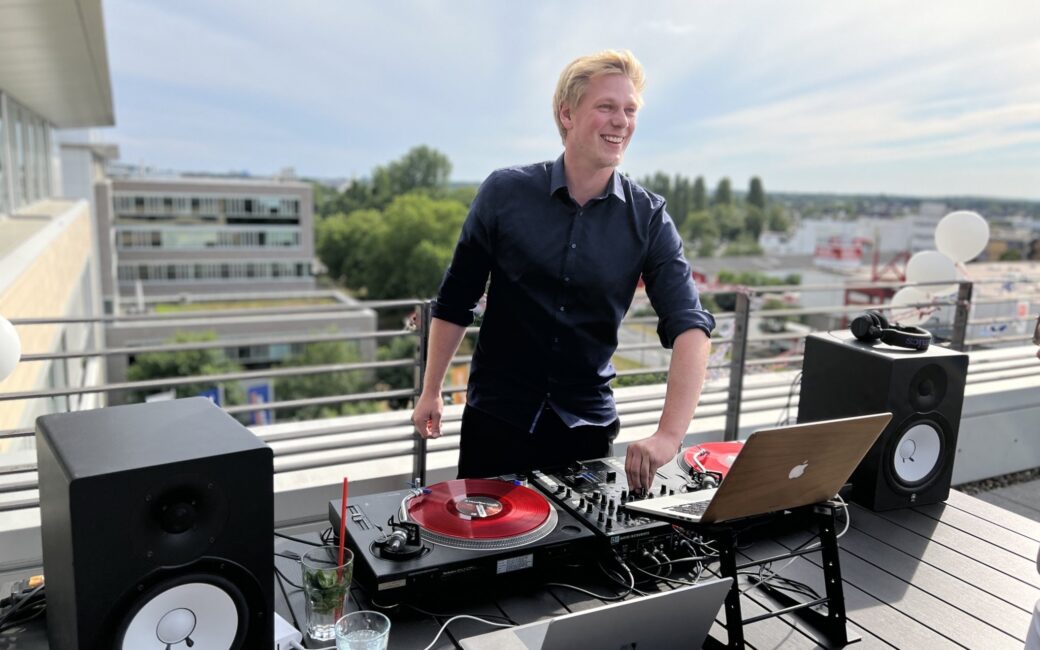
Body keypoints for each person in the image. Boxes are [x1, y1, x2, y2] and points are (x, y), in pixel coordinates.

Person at [411, 50, 714, 491]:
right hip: (495, 422)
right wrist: (431, 389)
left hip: (584, 432)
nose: (621, 121)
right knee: (485, 552)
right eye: (606, 107)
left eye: (629, 110)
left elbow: (691, 327)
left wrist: (669, 436)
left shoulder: (648, 218)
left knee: (577, 560)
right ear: (567, 114)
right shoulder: (504, 193)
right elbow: (456, 298)